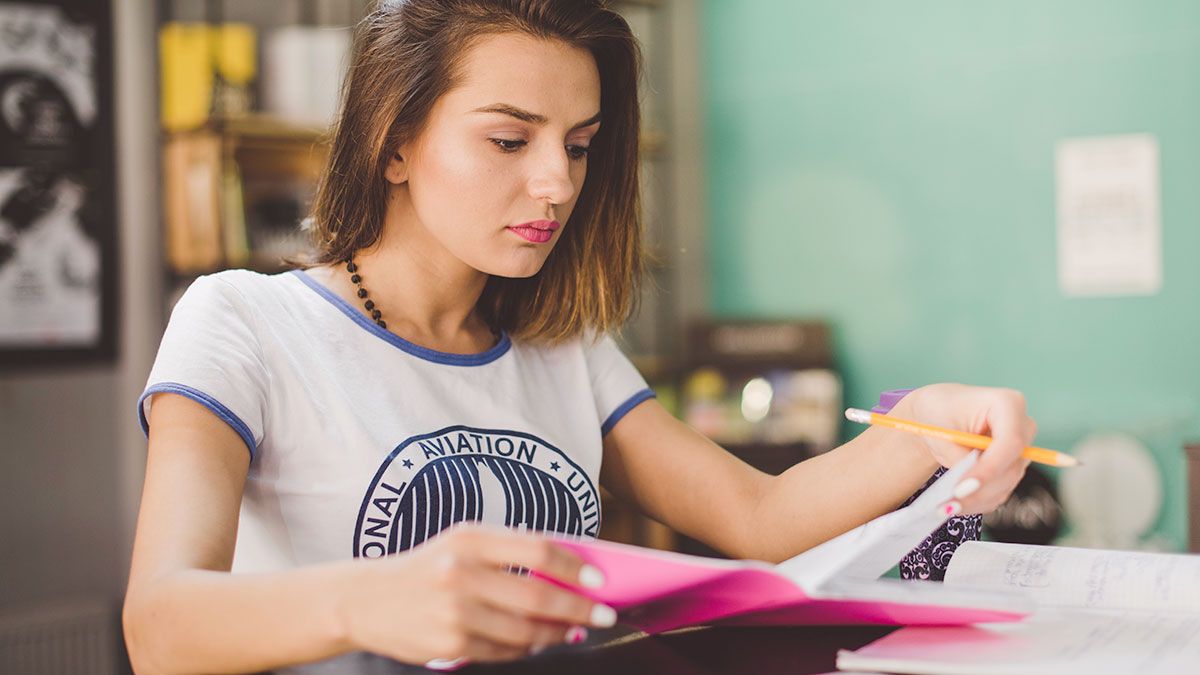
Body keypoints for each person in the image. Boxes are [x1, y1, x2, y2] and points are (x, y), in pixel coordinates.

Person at [122, 1, 1037, 672]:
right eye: (509, 141)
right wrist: (373, 598)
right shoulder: (244, 321)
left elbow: (759, 518)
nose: (557, 184)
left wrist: (928, 425)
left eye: (579, 144)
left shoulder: (564, 346)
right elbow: (159, 625)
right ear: (393, 143)